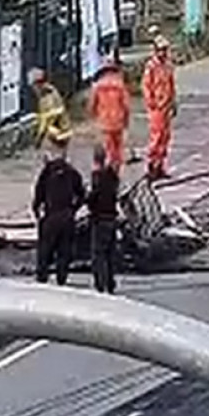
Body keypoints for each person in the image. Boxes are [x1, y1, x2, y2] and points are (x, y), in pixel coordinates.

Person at [32, 139, 86, 285]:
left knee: (45, 248)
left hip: (51, 215)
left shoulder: (47, 172)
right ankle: (62, 277)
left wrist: (36, 210)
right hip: (66, 216)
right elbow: (82, 194)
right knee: (64, 249)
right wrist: (74, 209)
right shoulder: (72, 172)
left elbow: (38, 193)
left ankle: (42, 276)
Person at [87, 143, 122, 294]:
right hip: (112, 218)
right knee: (110, 253)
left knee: (98, 254)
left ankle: (100, 284)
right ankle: (110, 282)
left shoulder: (97, 177)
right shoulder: (111, 176)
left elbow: (94, 197)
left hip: (100, 219)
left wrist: (87, 199)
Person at [141, 36, 177, 179]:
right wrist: (151, 103)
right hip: (157, 107)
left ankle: (160, 165)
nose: (162, 53)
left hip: (166, 106)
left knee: (165, 137)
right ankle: (151, 166)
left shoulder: (168, 66)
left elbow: (171, 85)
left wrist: (173, 103)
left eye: (164, 50)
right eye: (160, 50)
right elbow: (146, 86)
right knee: (156, 136)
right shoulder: (151, 67)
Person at [90, 60, 132, 170]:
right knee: (118, 146)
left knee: (108, 145)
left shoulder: (98, 86)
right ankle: (116, 166)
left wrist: (94, 115)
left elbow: (93, 103)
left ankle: (110, 165)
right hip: (118, 119)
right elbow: (126, 104)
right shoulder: (120, 85)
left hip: (104, 120)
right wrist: (126, 119)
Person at [31, 69, 72, 150]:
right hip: (64, 130)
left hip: (58, 134)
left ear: (38, 85)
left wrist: (38, 139)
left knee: (48, 152)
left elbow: (46, 120)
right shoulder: (52, 91)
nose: (33, 90)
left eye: (34, 86)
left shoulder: (46, 97)